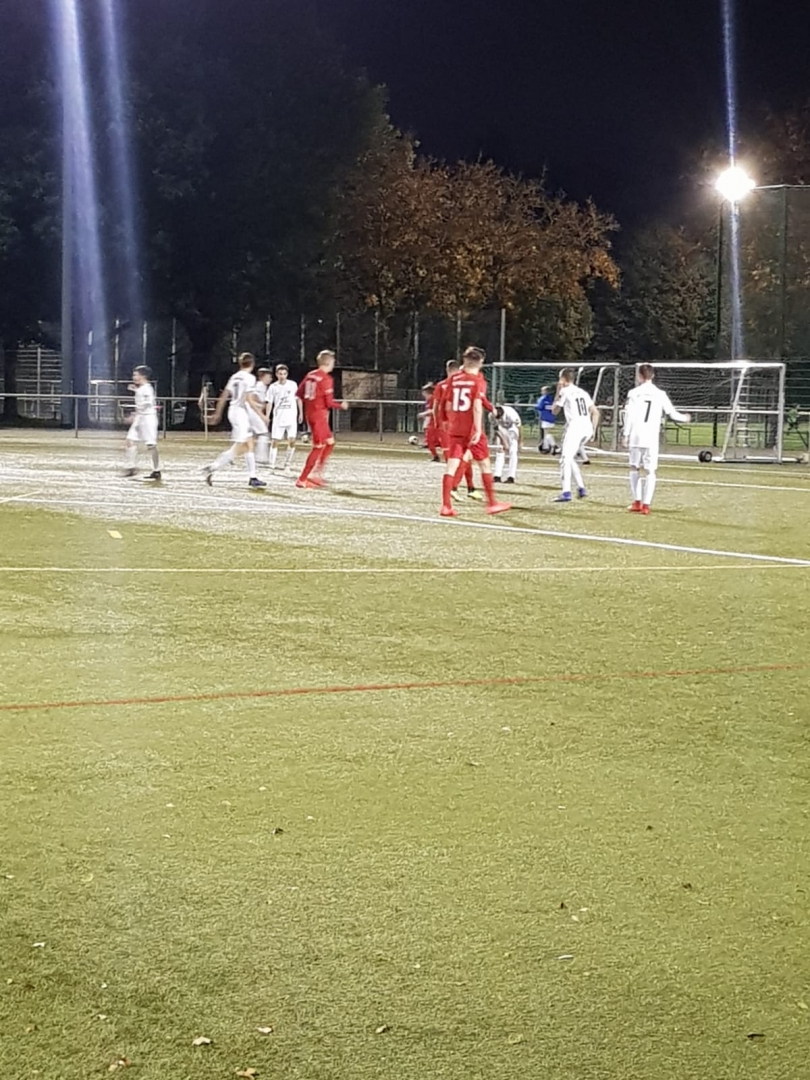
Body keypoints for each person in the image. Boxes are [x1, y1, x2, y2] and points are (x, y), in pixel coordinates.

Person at [440, 346, 512, 518]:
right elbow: (477, 406)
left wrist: (445, 421)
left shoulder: (454, 379)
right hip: (471, 430)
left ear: (464, 361)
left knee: (452, 466)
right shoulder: (478, 380)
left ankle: (446, 506)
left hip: (456, 428)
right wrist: (478, 429)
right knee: (484, 464)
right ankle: (492, 503)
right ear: (480, 362)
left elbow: (446, 403)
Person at [623, 363, 691, 514]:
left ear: (639, 376)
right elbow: (671, 413)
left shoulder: (633, 393)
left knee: (634, 467)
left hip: (636, 435)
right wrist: (684, 418)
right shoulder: (660, 394)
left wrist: (626, 434)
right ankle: (646, 505)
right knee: (650, 471)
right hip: (651, 437)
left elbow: (629, 415)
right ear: (652, 376)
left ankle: (637, 501)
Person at [202, 353, 267, 489]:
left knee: (249, 444)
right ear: (252, 364)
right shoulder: (250, 378)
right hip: (240, 413)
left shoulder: (234, 377)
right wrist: (261, 414)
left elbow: (224, 396)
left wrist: (218, 413)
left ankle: (253, 477)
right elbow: (249, 399)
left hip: (233, 411)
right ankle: (213, 467)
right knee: (242, 446)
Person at [295, 350, 348, 488]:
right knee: (318, 447)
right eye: (333, 362)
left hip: (312, 414)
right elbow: (329, 403)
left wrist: (311, 404)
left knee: (330, 442)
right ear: (328, 363)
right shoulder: (326, 379)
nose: (333, 364)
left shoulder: (310, 375)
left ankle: (316, 474)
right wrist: (341, 405)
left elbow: (299, 393)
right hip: (318, 416)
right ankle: (302, 479)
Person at [551, 369, 600, 503]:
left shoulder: (564, 391)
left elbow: (554, 411)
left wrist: (557, 392)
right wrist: (593, 431)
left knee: (565, 459)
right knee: (569, 457)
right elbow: (595, 412)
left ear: (563, 379)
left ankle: (566, 492)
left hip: (575, 428)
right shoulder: (583, 392)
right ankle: (581, 488)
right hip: (587, 428)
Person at [434, 358, 480, 499]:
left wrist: (438, 423)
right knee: (462, 458)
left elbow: (437, 407)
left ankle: (469, 488)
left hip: (447, 427)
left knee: (460, 458)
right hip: (461, 427)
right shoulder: (465, 384)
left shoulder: (442, 385)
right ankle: (454, 488)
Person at [123, 365, 161, 480]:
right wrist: (135, 389)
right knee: (130, 440)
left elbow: (147, 403)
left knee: (151, 445)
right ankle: (131, 467)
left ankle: (156, 470)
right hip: (140, 417)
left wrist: (134, 414)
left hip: (148, 418)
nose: (133, 377)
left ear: (143, 376)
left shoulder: (147, 388)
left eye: (136, 375)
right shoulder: (142, 388)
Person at [267, 364, 303, 472]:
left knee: (292, 441)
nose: (282, 376)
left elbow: (298, 399)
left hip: (291, 418)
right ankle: (271, 464)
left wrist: (301, 413)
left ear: (287, 374)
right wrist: (267, 416)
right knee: (275, 441)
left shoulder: (293, 385)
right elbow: (269, 402)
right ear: (276, 374)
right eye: (280, 374)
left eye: (284, 374)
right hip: (279, 418)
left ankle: (287, 464)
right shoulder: (273, 387)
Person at [492, 404, 522, 483]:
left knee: (513, 451)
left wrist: (520, 441)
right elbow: (496, 429)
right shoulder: (491, 415)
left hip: (512, 429)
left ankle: (511, 476)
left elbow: (519, 427)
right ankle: (497, 475)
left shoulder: (511, 414)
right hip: (501, 429)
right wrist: (503, 441)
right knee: (500, 450)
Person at [252, 368, 273, 465]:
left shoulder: (262, 386)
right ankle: (261, 457)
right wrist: (261, 403)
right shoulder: (260, 385)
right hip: (254, 412)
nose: (270, 379)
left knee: (251, 434)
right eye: (269, 377)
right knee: (263, 433)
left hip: (256, 412)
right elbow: (253, 396)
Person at [419, 382, 441, 461]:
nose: (423, 395)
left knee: (435, 440)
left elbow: (435, 410)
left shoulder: (433, 399)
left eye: (424, 393)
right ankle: (435, 456)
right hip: (431, 422)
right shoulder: (428, 400)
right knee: (430, 440)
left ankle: (447, 457)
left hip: (436, 422)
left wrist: (424, 414)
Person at [535, 385, 558, 455]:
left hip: (545, 418)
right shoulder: (552, 398)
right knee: (546, 433)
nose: (541, 392)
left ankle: (553, 445)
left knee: (547, 433)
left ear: (545, 391)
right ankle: (546, 446)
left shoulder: (542, 399)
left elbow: (538, 407)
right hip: (552, 418)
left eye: (542, 391)